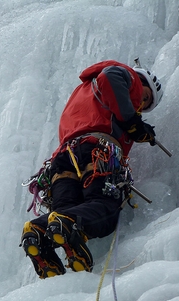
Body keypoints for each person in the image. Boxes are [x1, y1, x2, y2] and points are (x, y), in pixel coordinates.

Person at [20, 59, 163, 279]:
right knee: (105, 208)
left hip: (63, 159)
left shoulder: (83, 91)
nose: (140, 104)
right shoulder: (126, 75)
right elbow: (110, 78)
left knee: (63, 213)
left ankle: (37, 232)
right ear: (142, 80)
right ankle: (67, 226)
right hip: (96, 151)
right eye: (145, 97)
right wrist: (133, 122)